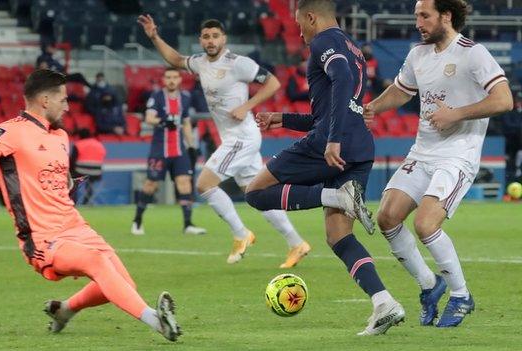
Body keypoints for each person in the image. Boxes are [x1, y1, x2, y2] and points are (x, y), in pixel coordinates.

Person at [0, 69, 181, 341]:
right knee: (98, 263)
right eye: (63, 99)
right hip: (43, 237)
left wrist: (70, 184)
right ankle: (157, 322)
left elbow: (59, 178)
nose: (68, 107)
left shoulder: (60, 136)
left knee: (123, 284)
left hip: (76, 226)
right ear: (45, 100)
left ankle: (65, 310)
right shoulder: (10, 131)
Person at [244, 0, 405, 335]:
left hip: (332, 145)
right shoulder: (353, 47)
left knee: (256, 192)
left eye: (300, 23)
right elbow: (334, 108)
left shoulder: (323, 42)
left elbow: (341, 79)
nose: (300, 32)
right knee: (338, 236)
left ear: (311, 17)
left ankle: (335, 195)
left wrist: (331, 140)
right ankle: (384, 302)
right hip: (360, 146)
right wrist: (282, 119)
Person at [365, 0, 513, 328]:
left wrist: (456, 113)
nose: (417, 21)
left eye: (424, 15)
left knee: (426, 224)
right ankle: (430, 286)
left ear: (446, 16)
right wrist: (372, 108)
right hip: (423, 152)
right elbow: (402, 92)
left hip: (457, 155)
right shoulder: (418, 54)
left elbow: (504, 100)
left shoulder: (473, 53)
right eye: (417, 15)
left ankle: (461, 295)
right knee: (388, 217)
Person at [138, 16, 310, 268]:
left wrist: (246, 106)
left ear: (224, 39)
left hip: (242, 137)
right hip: (234, 137)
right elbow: (175, 59)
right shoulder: (199, 63)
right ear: (201, 40)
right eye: (206, 37)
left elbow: (273, 82)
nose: (210, 41)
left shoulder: (238, 63)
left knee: (204, 184)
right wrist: (154, 36)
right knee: (257, 194)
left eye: (215, 36)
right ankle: (297, 243)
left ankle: (242, 235)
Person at [131, 67, 207, 236]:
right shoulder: (157, 96)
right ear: (164, 80)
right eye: (168, 77)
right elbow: (149, 118)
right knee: (151, 184)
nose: (172, 80)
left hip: (179, 151)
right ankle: (137, 221)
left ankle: (188, 224)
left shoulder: (186, 98)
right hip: (159, 150)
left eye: (175, 77)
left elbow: (186, 122)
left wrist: (192, 145)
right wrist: (164, 122)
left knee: (184, 183)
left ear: (180, 79)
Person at [70, 128, 106, 205]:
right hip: (96, 173)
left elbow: (72, 161)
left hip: (81, 172)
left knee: (73, 180)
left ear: (79, 136)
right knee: (90, 184)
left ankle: (73, 201)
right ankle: (86, 202)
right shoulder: (99, 144)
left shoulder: (78, 144)